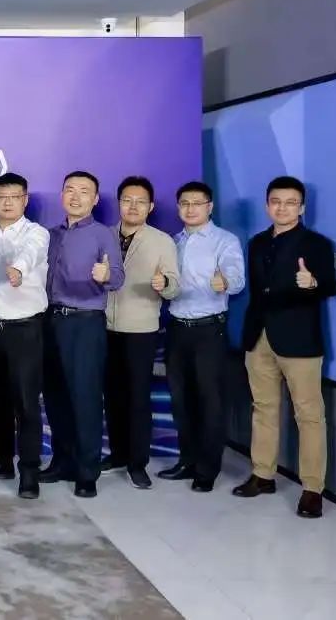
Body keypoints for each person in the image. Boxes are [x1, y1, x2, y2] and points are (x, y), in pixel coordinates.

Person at [233, 176, 336, 518]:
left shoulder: (316, 244)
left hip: (300, 340)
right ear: (267, 206)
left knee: (309, 415)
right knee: (263, 408)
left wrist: (313, 282)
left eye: (291, 202)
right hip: (258, 337)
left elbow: (331, 286)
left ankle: (312, 489)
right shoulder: (257, 242)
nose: (282, 208)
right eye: (276, 201)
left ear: (302, 207)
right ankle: (263, 475)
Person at [43, 170, 124, 498]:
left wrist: (106, 275)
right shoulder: (51, 235)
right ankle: (62, 461)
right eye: (69, 190)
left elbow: (118, 276)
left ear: (95, 198)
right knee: (56, 396)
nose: (75, 197)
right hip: (51, 321)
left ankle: (87, 471)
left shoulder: (103, 234)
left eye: (84, 191)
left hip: (85, 323)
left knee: (85, 397)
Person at [163, 181, 245, 493]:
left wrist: (226, 282)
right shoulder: (172, 242)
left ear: (210, 207)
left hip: (209, 330)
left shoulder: (224, 240)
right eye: (185, 203)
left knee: (210, 401)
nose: (190, 208)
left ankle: (207, 469)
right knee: (181, 399)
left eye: (197, 203)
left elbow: (236, 277)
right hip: (177, 328)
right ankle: (187, 460)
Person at [103, 176, 181, 490]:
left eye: (140, 202)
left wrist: (165, 284)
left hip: (141, 330)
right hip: (105, 328)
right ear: (119, 203)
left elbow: (174, 285)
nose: (133, 206)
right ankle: (118, 454)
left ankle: (137, 463)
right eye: (127, 200)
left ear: (150, 207)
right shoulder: (104, 235)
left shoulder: (162, 241)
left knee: (137, 397)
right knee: (112, 395)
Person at [0, 172, 50, 500]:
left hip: (24, 329)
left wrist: (18, 269)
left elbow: (30, 254)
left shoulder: (36, 233)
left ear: (25, 200)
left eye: (14, 197)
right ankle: (1, 461)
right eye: (1, 197)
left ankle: (30, 471)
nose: (7, 203)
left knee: (26, 403)